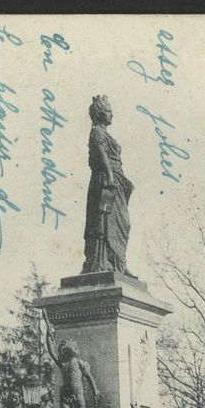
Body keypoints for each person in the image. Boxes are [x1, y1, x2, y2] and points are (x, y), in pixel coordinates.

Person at [82, 95, 134, 275]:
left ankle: (118, 261)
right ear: (100, 113)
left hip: (116, 181)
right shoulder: (97, 132)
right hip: (106, 182)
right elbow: (100, 152)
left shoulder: (104, 132)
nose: (112, 114)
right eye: (108, 111)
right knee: (105, 220)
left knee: (123, 222)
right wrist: (110, 173)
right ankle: (102, 261)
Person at [45, 321, 100, 408]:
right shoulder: (63, 363)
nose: (75, 349)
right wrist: (48, 335)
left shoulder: (80, 363)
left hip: (78, 393)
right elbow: (51, 351)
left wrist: (95, 390)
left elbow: (89, 377)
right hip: (65, 393)